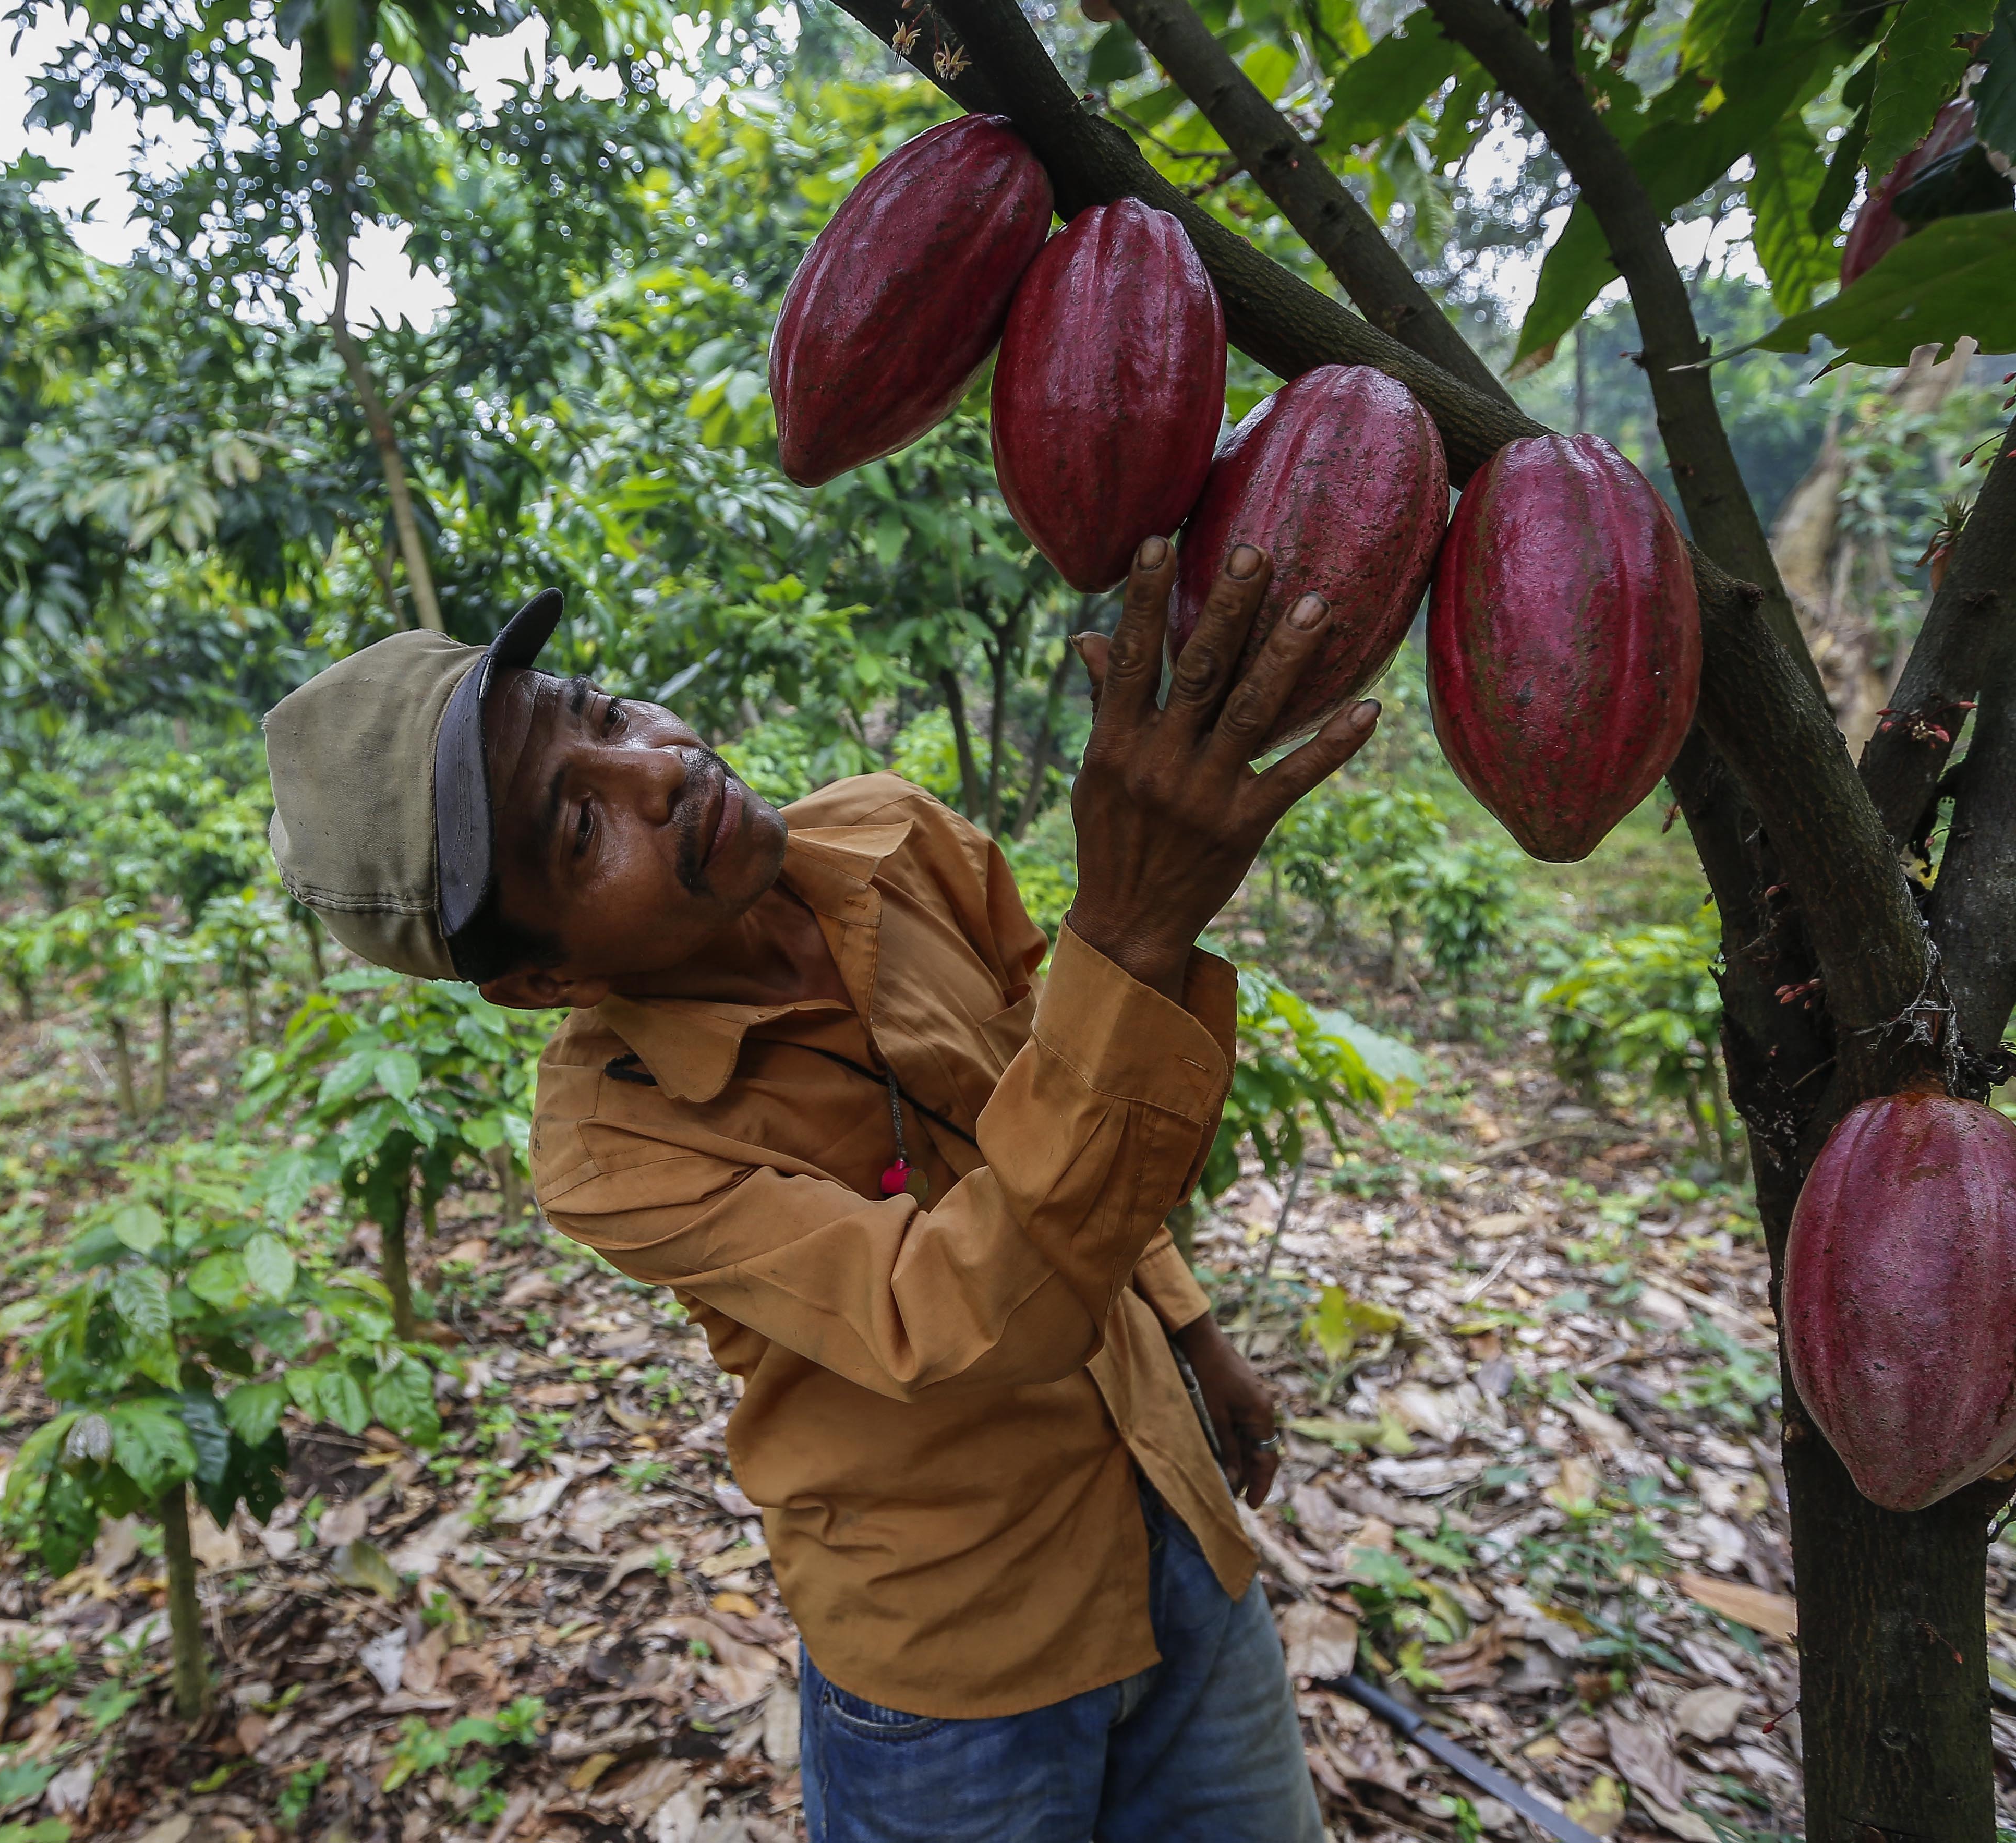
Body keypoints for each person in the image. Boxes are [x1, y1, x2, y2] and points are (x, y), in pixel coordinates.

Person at [257, 537, 1377, 1841]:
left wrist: (1192, 1329)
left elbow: (1046, 1061)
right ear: (543, 982)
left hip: (1174, 1516)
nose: (664, 770)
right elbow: (952, 1311)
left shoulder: (894, 834)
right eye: (578, 825)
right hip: (955, 1660)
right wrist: (1132, 931)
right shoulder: (617, 1149)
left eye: (607, 715)